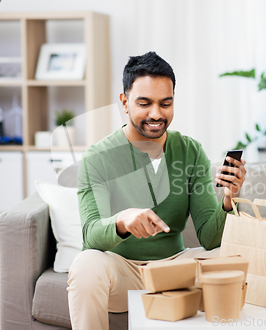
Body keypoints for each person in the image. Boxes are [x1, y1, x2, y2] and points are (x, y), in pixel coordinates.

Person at [67, 51, 246, 330]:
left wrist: (228, 199)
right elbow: (91, 236)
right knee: (86, 264)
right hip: (122, 270)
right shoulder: (97, 157)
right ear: (124, 103)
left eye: (166, 103)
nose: (156, 114)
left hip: (176, 268)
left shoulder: (190, 151)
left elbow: (210, 239)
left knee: (241, 258)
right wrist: (122, 221)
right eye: (144, 103)